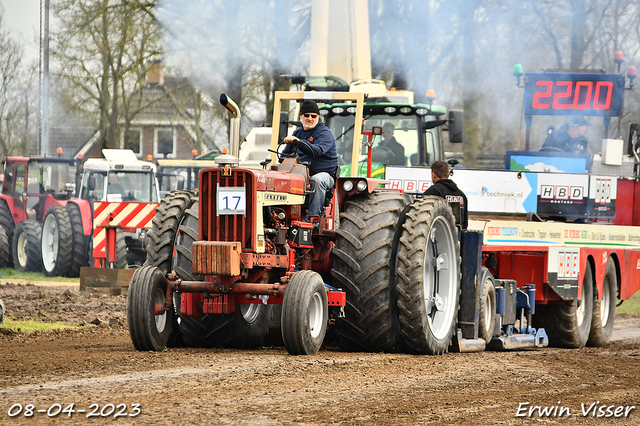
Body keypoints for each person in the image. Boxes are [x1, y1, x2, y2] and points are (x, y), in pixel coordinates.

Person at [281, 100, 338, 220]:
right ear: (301, 116)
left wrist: (298, 142)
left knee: (317, 180)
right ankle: (281, 216)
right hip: (299, 176)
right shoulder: (297, 133)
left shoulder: (325, 134)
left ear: (318, 117)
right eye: (307, 115)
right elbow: (284, 156)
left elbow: (317, 150)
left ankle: (312, 219)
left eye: (313, 116)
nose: (310, 118)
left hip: (324, 176)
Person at [424, 160, 468, 229]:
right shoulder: (461, 195)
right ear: (448, 174)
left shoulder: (433, 191)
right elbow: (464, 225)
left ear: (433, 175)